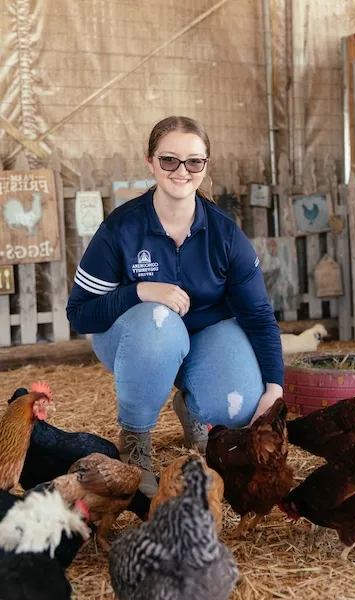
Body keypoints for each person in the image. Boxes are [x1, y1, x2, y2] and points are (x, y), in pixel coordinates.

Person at [66, 116, 284, 498]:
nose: (181, 171)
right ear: (150, 162)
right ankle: (135, 442)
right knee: (156, 320)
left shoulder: (224, 233)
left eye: (193, 162)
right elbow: (80, 312)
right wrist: (139, 292)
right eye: (169, 160)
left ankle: (193, 409)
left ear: (205, 166)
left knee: (240, 403)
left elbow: (259, 317)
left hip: (201, 339)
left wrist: (274, 386)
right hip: (134, 341)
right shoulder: (121, 228)